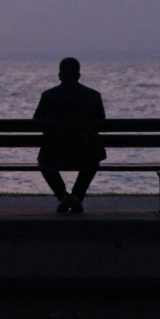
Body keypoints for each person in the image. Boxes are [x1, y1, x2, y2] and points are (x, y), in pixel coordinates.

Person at [33, 57, 106, 214]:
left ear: (60, 75)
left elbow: (36, 122)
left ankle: (63, 196)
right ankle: (77, 196)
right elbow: (102, 123)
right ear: (79, 75)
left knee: (43, 161)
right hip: (86, 154)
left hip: (54, 155)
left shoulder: (48, 96)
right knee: (94, 157)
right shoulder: (93, 96)